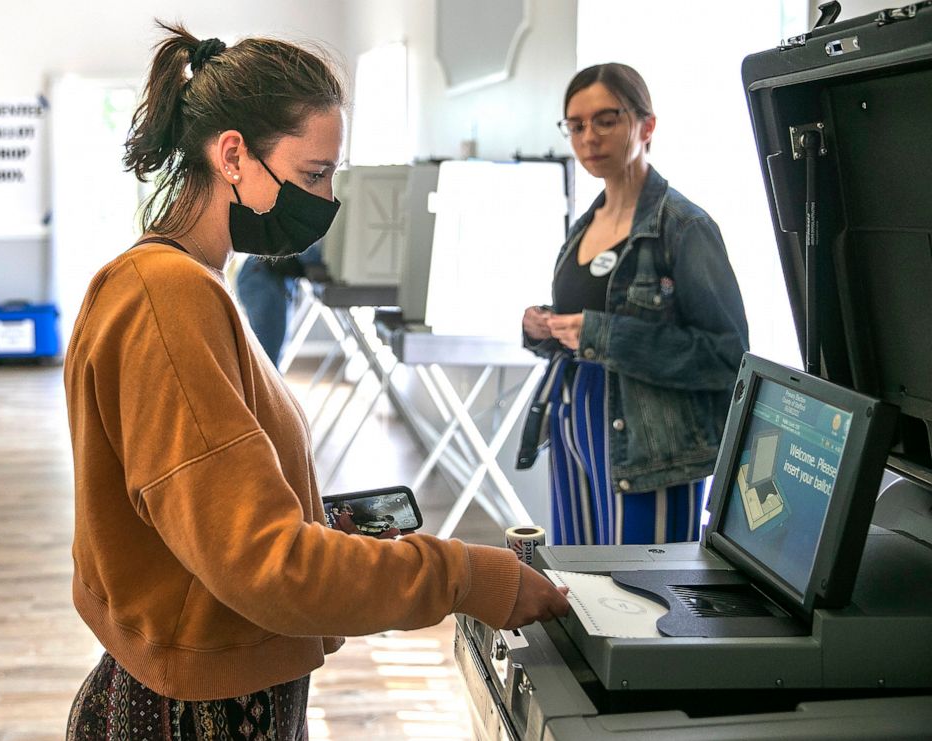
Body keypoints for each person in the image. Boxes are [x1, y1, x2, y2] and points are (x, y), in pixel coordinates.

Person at [63, 23, 569, 740]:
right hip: (198, 712)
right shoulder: (167, 297)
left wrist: (310, 514)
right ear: (232, 153)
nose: (326, 200)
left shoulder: (180, 283)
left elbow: (206, 515)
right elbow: (266, 564)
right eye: (312, 175)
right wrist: (466, 576)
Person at [519, 63, 749, 547]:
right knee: (581, 592)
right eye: (576, 125)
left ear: (646, 126)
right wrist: (544, 327)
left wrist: (602, 334)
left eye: (606, 120)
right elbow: (591, 321)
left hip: (650, 446)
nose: (588, 137)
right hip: (572, 429)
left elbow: (728, 357)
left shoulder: (684, 227)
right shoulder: (586, 225)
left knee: (642, 602)